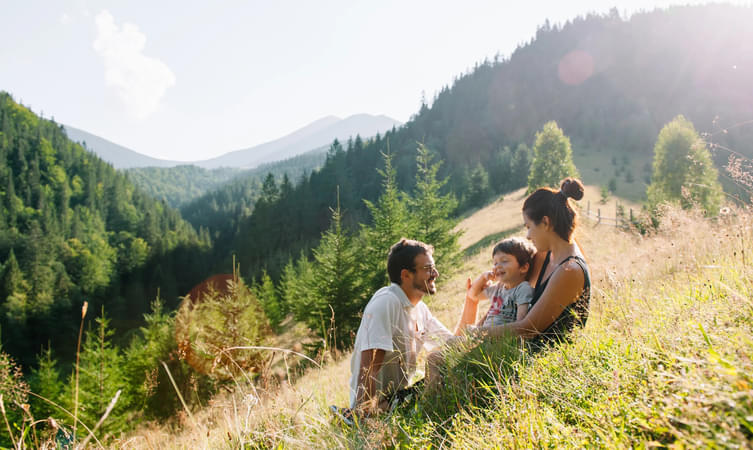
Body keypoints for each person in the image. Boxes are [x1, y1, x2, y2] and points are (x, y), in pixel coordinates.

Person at [426, 177, 591, 387]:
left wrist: (479, 333)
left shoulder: (570, 270)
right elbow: (507, 293)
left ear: (546, 223)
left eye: (529, 227)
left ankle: (433, 410)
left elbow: (529, 328)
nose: (528, 235)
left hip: (537, 358)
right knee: (438, 359)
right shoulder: (546, 255)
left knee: (439, 362)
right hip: (515, 345)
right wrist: (483, 322)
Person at [332, 238, 453, 424]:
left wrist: (472, 300)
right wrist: (366, 417)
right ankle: (355, 416)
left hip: (399, 399)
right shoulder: (386, 302)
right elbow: (369, 368)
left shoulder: (420, 309)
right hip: (378, 406)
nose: (435, 273)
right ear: (406, 275)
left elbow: (454, 345)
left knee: (449, 368)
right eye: (428, 268)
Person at [468, 237, 536, 328]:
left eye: (504, 261)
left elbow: (521, 325)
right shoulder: (498, 288)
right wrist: (483, 277)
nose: (497, 266)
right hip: (484, 336)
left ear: (523, 268)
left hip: (500, 336)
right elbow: (473, 295)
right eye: (495, 263)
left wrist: (486, 333)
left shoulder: (523, 289)